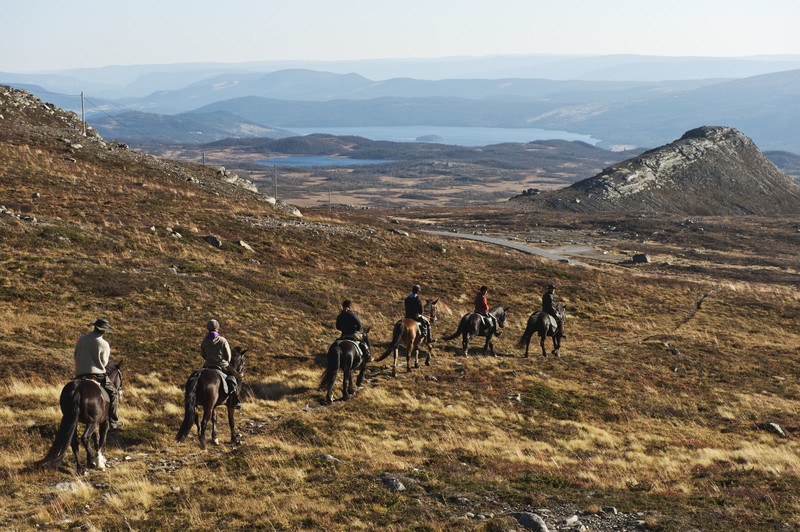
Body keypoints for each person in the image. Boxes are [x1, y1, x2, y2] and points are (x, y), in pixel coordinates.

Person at [74, 318, 123, 428]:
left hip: (80, 374)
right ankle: (113, 420)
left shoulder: (81, 339)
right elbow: (104, 362)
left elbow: (75, 354)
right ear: (104, 331)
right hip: (97, 375)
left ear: (94, 327)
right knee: (114, 393)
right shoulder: (104, 344)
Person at [201, 319, 241, 409]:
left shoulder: (204, 341)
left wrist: (208, 360)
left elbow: (202, 353)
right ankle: (235, 400)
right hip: (222, 365)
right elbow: (228, 356)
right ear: (217, 328)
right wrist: (225, 361)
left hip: (207, 365)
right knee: (236, 378)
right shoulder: (222, 340)